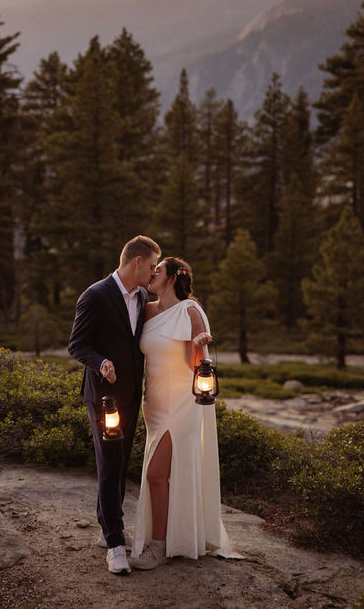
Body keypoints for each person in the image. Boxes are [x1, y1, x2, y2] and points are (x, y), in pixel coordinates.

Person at [129, 257, 237, 570]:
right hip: (155, 406)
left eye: (157, 270)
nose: (152, 274)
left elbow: (197, 369)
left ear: (173, 277)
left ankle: (160, 547)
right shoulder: (146, 310)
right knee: (160, 475)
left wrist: (199, 344)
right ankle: (166, 535)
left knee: (156, 475)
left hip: (182, 404)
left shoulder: (191, 311)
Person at [68, 235, 161, 575]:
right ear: (137, 262)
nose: (154, 273)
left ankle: (106, 525)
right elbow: (77, 345)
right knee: (109, 463)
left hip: (133, 394)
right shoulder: (94, 296)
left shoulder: (142, 296)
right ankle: (115, 543)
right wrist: (101, 361)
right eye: (152, 266)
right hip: (103, 397)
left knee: (120, 464)